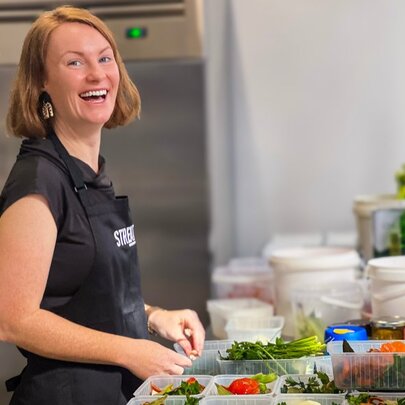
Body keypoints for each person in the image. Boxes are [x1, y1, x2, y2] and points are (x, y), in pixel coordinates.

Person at [0, 5, 205, 404]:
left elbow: (81, 293)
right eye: (74, 62)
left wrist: (152, 316)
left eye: (105, 58)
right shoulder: (39, 180)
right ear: (42, 81)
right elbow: (13, 318)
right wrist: (130, 350)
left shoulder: (89, 172)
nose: (97, 74)